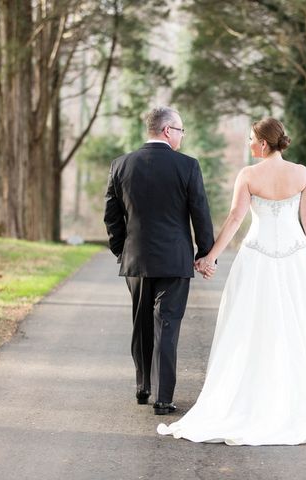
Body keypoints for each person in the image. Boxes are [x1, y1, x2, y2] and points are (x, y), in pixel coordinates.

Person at [157, 118, 306, 444]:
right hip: (295, 260)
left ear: (264, 144)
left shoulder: (249, 175)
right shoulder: (301, 173)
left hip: (257, 258)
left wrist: (210, 256)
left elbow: (236, 218)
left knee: (251, 327)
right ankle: (297, 401)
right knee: (297, 327)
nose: (250, 144)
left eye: (252, 139)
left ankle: (254, 399)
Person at [104, 106, 216, 416]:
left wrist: (121, 250)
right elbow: (200, 214)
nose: (182, 136)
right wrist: (204, 254)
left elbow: (112, 217)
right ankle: (164, 398)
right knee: (167, 325)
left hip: (136, 259)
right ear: (167, 131)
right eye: (180, 130)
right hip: (174, 260)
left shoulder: (121, 165)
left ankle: (143, 386)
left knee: (141, 323)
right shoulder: (188, 166)